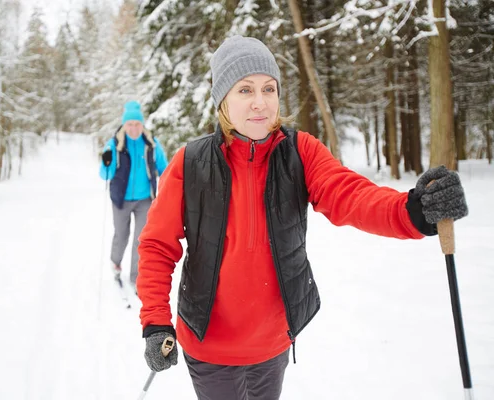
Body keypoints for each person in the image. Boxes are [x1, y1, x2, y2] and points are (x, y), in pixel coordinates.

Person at [136, 36, 468, 400]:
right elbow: (157, 247)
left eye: (269, 88)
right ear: (222, 101)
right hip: (208, 345)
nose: (260, 102)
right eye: (245, 90)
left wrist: (412, 211)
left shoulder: (300, 153)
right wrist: (155, 321)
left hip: (274, 342)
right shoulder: (191, 163)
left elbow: (350, 195)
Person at [100, 100, 168, 289]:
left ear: (142, 124)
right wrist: (106, 161)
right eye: (130, 124)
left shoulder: (151, 143)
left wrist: (170, 186)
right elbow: (104, 174)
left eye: (137, 124)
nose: (133, 128)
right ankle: (115, 263)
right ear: (124, 124)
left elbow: (165, 168)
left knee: (141, 239)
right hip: (120, 199)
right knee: (121, 235)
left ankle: (136, 277)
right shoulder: (115, 144)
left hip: (144, 199)